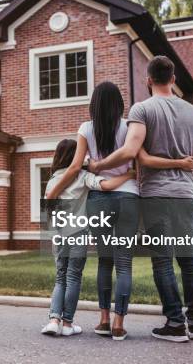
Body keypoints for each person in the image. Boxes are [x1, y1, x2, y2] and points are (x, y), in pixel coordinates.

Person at [46, 81, 193, 341]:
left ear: (93, 104)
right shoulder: (129, 126)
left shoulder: (86, 128)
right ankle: (118, 324)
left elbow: (73, 169)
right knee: (124, 263)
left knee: (105, 260)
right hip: (129, 197)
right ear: (119, 104)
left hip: (98, 199)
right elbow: (142, 160)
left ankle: (102, 320)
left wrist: (54, 191)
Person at [88, 56, 193, 342]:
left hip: (155, 195)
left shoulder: (142, 109)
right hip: (184, 195)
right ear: (173, 79)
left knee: (162, 261)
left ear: (148, 80)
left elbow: (131, 150)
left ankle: (174, 323)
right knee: (190, 260)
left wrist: (98, 165)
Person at [41, 138, 135, 337]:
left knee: (60, 278)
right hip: (78, 235)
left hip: (58, 236)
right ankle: (67, 324)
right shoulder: (83, 176)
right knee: (73, 277)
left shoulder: (52, 180)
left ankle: (53, 320)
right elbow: (107, 185)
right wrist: (129, 175)